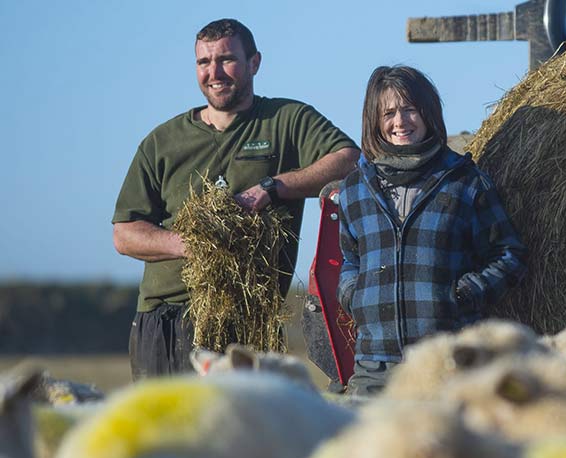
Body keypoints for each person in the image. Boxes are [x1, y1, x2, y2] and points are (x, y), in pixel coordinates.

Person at [112, 19, 359, 379]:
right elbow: (124, 233)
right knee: (168, 434)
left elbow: (350, 161)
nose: (214, 72)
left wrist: (273, 186)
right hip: (167, 319)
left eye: (226, 59)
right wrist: (190, 244)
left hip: (250, 317)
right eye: (203, 62)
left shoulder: (286, 120)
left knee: (247, 432)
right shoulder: (162, 142)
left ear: (254, 63)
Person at [337, 65, 527, 396]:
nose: (400, 122)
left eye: (410, 109)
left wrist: (464, 294)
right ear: (374, 120)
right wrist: (354, 295)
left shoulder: (465, 181)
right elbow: (350, 259)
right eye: (389, 113)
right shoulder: (355, 188)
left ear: (428, 113)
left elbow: (509, 254)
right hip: (375, 366)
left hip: (448, 361)